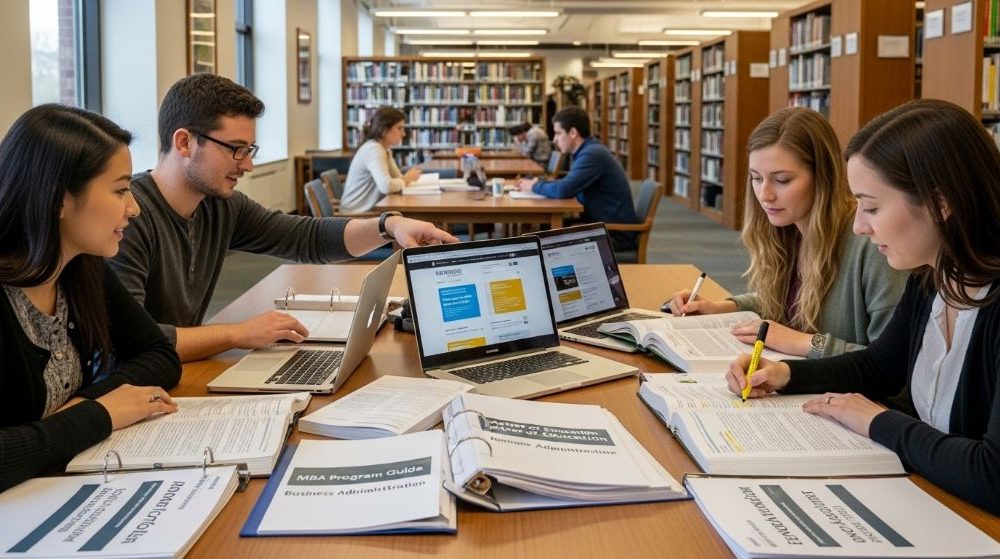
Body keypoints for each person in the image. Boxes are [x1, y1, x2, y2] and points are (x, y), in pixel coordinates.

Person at [727, 99, 1000, 515]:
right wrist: (783, 374)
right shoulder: (932, 278)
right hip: (934, 496)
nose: (858, 225)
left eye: (872, 207)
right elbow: (879, 367)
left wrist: (876, 421)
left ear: (942, 204)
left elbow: (992, 475)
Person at [110, 74, 457, 363]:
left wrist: (388, 226)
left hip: (175, 375)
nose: (247, 165)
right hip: (135, 390)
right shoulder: (127, 219)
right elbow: (133, 342)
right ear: (185, 142)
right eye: (236, 149)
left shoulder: (219, 206)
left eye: (250, 150)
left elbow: (307, 238)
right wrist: (236, 333)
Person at [0, 105, 181, 492]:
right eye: (119, 190)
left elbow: (158, 355)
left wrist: (85, 406)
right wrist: (99, 414)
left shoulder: (81, 266)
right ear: (58, 200)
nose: (133, 208)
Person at [669, 107, 907, 358]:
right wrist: (723, 307)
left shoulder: (873, 245)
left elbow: (893, 366)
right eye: (756, 178)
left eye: (782, 180)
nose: (765, 195)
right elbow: (787, 302)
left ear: (822, 177)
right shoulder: (788, 230)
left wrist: (802, 343)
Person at [515, 107, 639, 250]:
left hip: (613, 235)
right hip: (599, 226)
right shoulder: (587, 151)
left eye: (558, 133)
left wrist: (533, 186)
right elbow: (568, 184)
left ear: (573, 133)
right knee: (541, 235)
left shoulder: (591, 155)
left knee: (544, 244)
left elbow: (563, 190)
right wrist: (539, 183)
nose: (554, 140)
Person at [340, 107, 422, 214]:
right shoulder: (374, 149)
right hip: (356, 214)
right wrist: (406, 179)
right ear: (384, 130)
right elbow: (386, 186)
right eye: (399, 128)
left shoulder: (384, 148)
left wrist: (405, 179)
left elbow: (397, 178)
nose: (404, 134)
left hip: (367, 210)